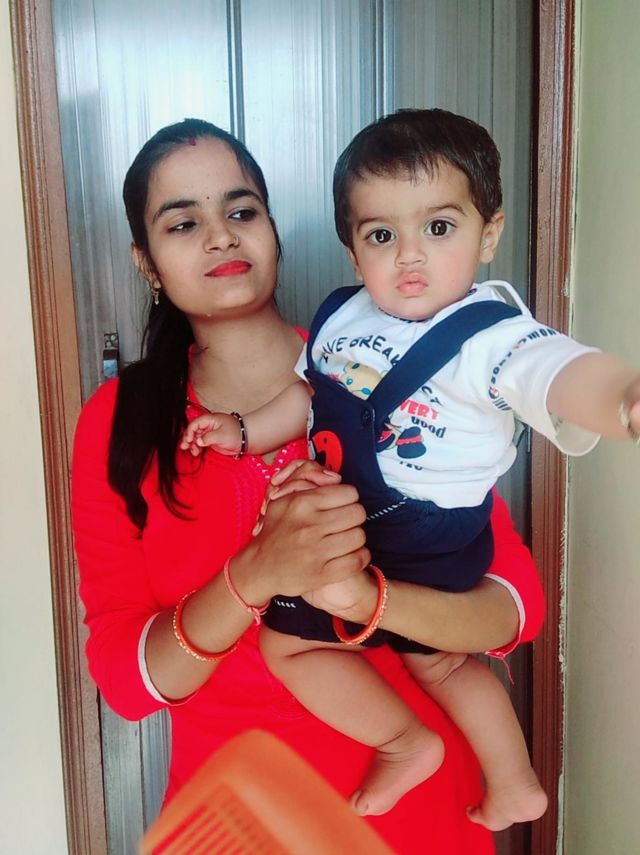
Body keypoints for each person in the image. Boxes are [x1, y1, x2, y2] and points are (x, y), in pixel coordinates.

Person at [72, 117, 547, 855]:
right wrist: (254, 576)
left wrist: (371, 602)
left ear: (273, 231)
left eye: (241, 211)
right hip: (238, 818)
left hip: (417, 815)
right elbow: (128, 683)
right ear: (148, 263)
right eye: (183, 223)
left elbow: (513, 605)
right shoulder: (119, 421)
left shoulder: (382, 370)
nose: (221, 237)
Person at [180, 108, 640, 831]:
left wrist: (623, 399)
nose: (410, 257)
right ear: (352, 251)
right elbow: (308, 398)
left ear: (488, 233)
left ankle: (428, 750)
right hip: (361, 524)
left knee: (325, 649)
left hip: (428, 532)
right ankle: (488, 774)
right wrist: (243, 431)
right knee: (413, 661)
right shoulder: (343, 319)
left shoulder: (494, 337)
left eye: (440, 227)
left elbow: (561, 373)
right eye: (381, 236)